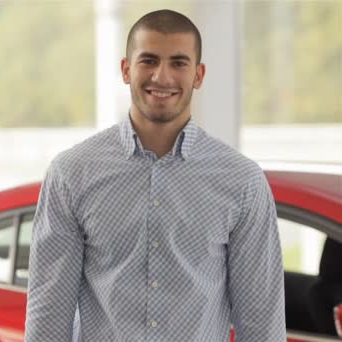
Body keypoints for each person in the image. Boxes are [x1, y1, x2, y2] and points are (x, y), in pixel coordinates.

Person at [24, 9, 286, 342]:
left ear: (199, 75)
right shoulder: (72, 173)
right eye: (148, 60)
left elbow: (261, 322)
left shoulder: (242, 182)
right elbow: (49, 314)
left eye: (178, 63)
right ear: (125, 69)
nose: (162, 77)